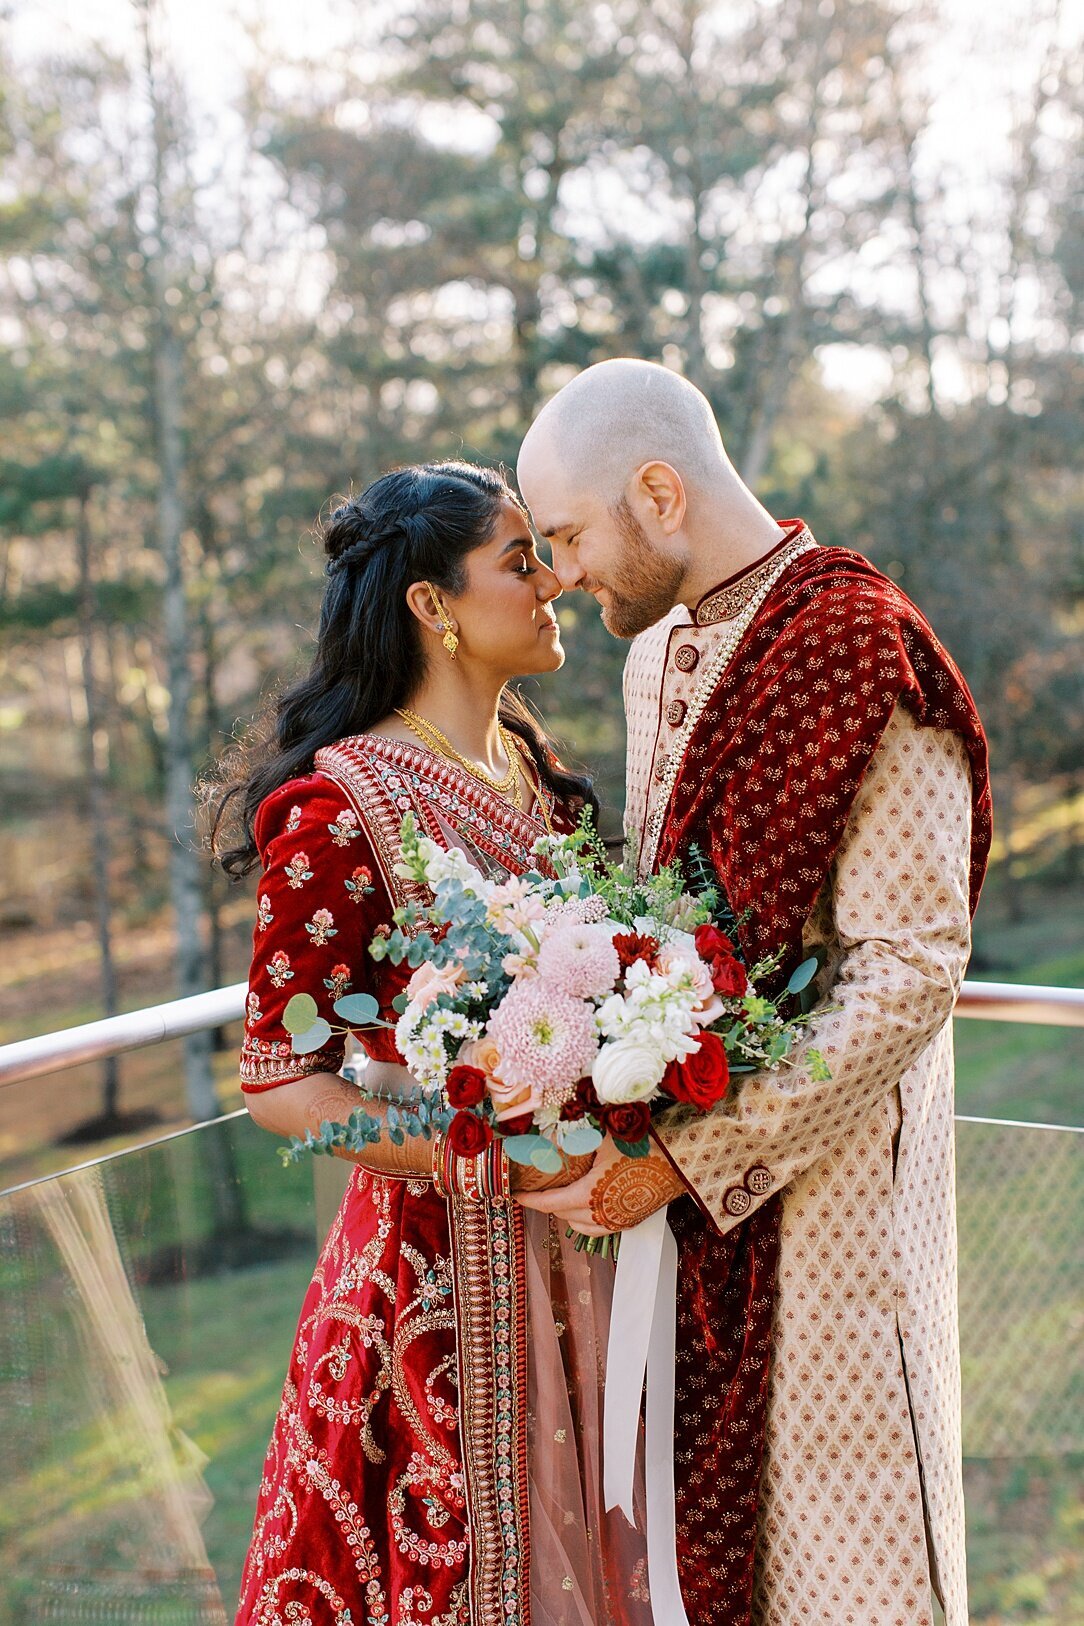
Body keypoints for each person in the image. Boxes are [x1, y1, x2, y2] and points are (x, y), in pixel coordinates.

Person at [515, 359, 992, 1626]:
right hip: (687, 1240)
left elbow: (909, 968)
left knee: (852, 1570)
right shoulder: (656, 652)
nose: (559, 575)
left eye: (567, 537)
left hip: (834, 1221)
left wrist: (685, 1156)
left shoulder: (861, 644)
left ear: (658, 491)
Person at [213, 461, 654, 1626]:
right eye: (521, 561)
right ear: (431, 603)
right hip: (435, 1290)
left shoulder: (539, 781)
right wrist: (494, 1163)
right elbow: (277, 1085)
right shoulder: (339, 809)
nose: (555, 579)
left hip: (594, 1261)